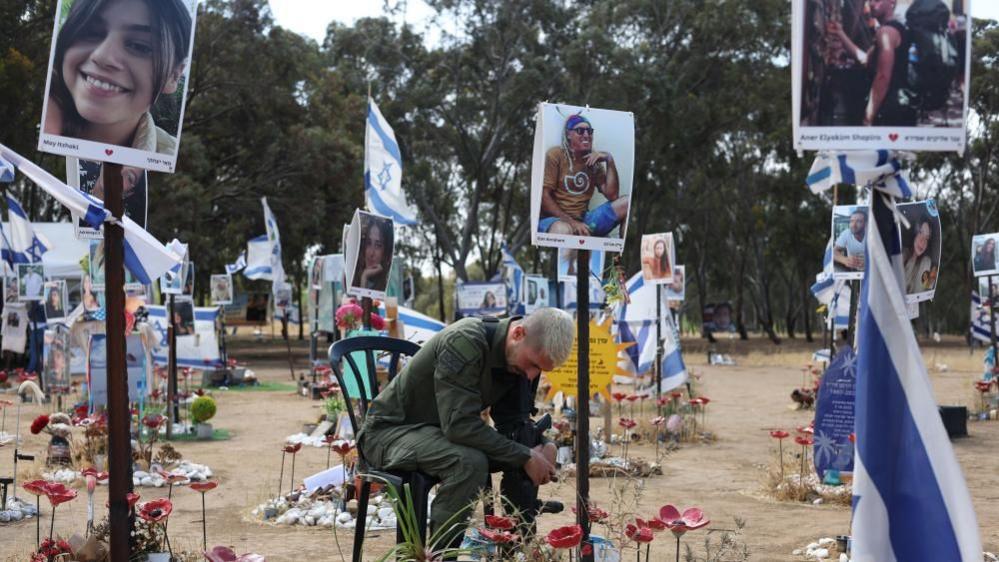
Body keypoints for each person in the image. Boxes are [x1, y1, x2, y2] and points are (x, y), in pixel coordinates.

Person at [357, 308, 574, 545]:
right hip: (389, 433)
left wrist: (543, 446)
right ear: (518, 334)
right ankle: (441, 555)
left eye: (540, 370)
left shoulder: (517, 360)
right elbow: (459, 426)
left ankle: (516, 550)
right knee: (469, 462)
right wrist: (525, 455)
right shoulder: (466, 340)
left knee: (524, 445)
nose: (531, 376)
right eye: (532, 364)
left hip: (437, 434)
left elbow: (514, 425)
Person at [42, 0, 193, 155]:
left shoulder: (172, 156)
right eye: (91, 33)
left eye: (139, 46)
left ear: (173, 76)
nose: (102, 56)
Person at [828, 0, 916, 126]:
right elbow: (866, 61)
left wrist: (868, 116)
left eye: (877, 0)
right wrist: (840, 33)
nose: (872, 4)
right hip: (900, 108)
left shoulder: (886, 32)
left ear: (892, 2)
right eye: (870, 1)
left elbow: (882, 77)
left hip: (891, 111)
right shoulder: (893, 29)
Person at [538, 114, 629, 237]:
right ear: (568, 134)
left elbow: (612, 195)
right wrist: (572, 223)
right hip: (555, 220)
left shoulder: (593, 160)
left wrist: (609, 160)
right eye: (580, 131)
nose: (586, 135)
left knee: (626, 203)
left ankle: (620, 255)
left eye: (589, 131)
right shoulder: (556, 155)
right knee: (563, 230)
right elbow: (544, 197)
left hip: (584, 221)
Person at [353, 217, 393, 291]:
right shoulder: (353, 278)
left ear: (385, 253)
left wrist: (364, 277)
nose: (371, 253)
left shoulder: (389, 287)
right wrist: (364, 277)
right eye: (368, 243)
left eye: (378, 245)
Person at [903, 218, 934, 293]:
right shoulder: (902, 254)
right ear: (914, 233)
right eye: (920, 232)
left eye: (927, 238)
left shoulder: (926, 262)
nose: (923, 241)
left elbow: (926, 291)